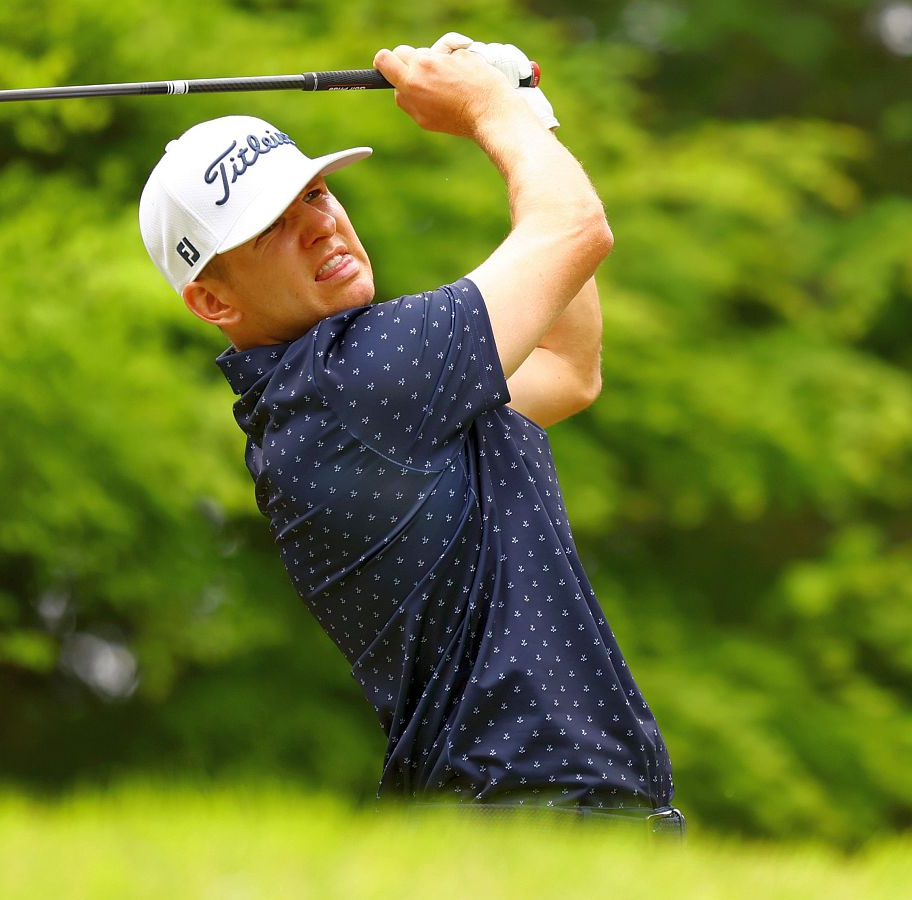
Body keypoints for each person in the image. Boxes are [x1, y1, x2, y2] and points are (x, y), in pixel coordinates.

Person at [138, 33, 682, 835]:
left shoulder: (332, 399)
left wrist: (526, 113)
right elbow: (574, 229)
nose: (318, 227)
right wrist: (493, 109)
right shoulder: (351, 378)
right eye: (268, 230)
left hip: (534, 818)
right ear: (214, 302)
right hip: (527, 824)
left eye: (315, 196)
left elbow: (568, 368)